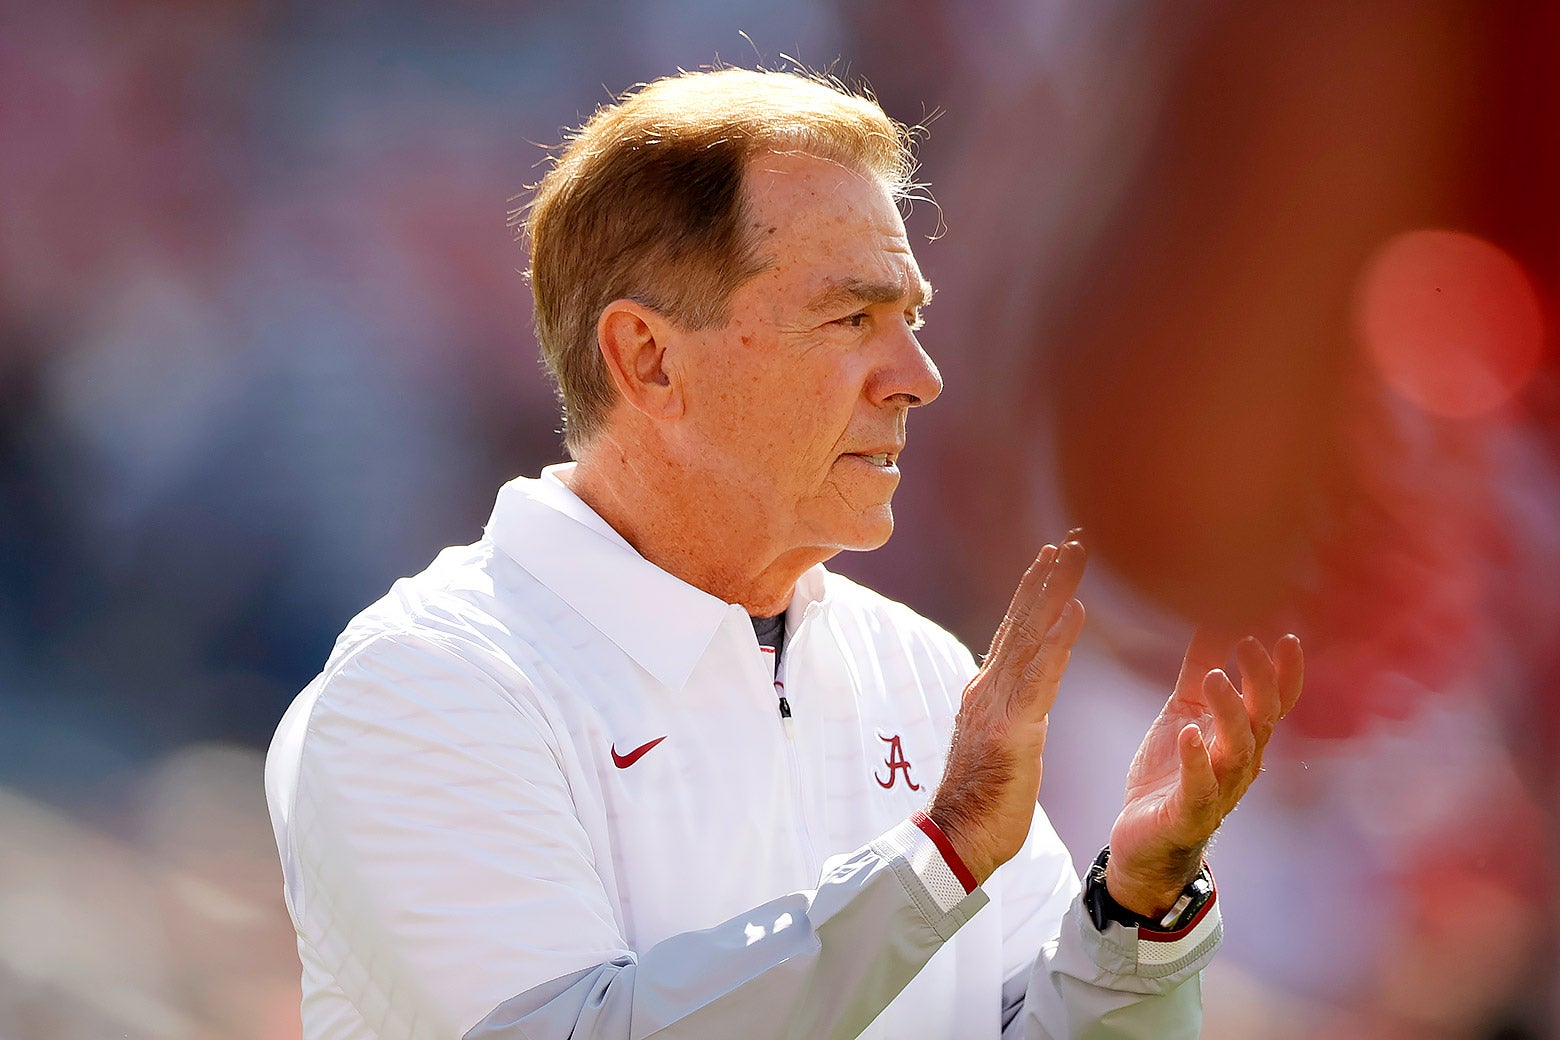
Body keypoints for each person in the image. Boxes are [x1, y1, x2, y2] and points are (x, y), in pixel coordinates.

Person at [264, 67, 1303, 1040]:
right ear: (649, 358)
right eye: (851, 315)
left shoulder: (925, 674)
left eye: (911, 318)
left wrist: (1132, 906)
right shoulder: (423, 685)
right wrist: (935, 856)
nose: (918, 375)